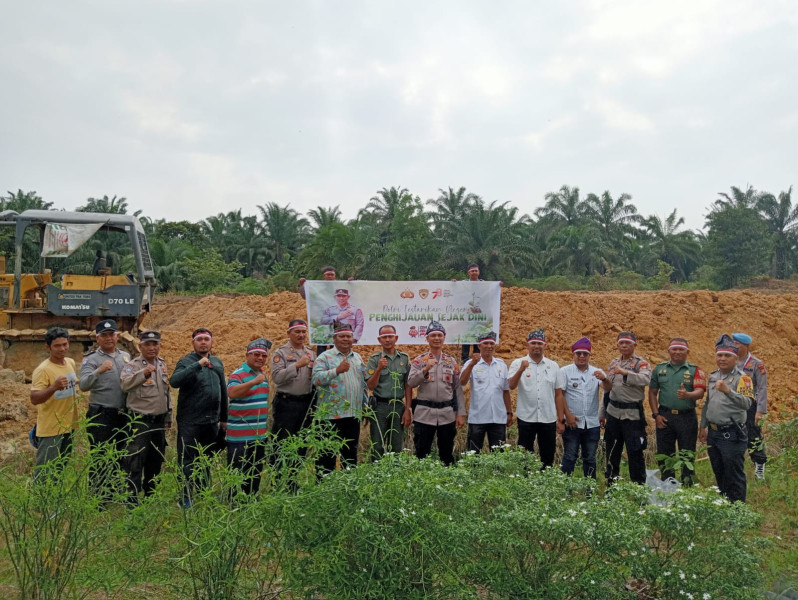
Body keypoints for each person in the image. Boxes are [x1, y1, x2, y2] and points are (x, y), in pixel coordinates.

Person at [169, 328, 228, 508]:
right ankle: (185, 497)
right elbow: (174, 381)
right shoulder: (186, 361)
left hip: (211, 421)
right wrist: (197, 365)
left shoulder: (217, 362)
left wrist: (224, 418)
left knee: (206, 459)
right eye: (199, 339)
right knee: (187, 460)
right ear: (193, 343)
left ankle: (204, 494)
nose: (203, 342)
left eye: (206, 339)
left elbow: (223, 390)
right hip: (190, 421)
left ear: (212, 343)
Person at [699, 334, 755, 502]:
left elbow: (747, 403)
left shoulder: (742, 378)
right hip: (714, 433)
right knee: (719, 471)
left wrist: (728, 391)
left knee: (734, 474)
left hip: (732, 434)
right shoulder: (713, 376)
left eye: (727, 355)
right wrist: (703, 425)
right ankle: (725, 507)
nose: (722, 359)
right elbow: (708, 401)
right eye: (719, 355)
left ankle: (738, 511)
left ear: (735, 358)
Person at [80, 319, 131, 499]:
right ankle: (98, 496)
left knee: (119, 454)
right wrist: (99, 371)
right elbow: (84, 385)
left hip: (122, 414)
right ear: (98, 338)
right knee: (100, 455)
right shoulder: (91, 359)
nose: (109, 338)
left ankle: (113, 491)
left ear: (117, 336)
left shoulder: (125, 356)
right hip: (101, 414)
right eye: (104, 335)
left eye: (112, 334)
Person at [120, 330, 171, 505]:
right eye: (147, 344)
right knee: (135, 460)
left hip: (158, 421)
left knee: (155, 460)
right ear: (140, 346)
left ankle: (151, 497)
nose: (151, 348)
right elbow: (125, 385)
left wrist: (168, 415)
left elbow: (166, 392)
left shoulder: (162, 364)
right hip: (140, 422)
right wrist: (143, 374)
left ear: (159, 346)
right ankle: (132, 500)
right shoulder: (133, 366)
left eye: (155, 344)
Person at [647, 338, 707, 485]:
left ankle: (687, 485)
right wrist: (656, 415)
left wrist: (688, 395)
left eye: (681, 349)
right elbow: (652, 393)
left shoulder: (695, 370)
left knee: (687, 453)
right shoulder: (659, 369)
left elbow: (700, 392)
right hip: (664, 417)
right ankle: (668, 485)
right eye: (674, 349)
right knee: (665, 453)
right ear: (669, 351)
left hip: (686, 417)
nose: (677, 352)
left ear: (688, 352)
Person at [311, 320, 368, 473]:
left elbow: (363, 384)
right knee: (326, 457)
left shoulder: (357, 358)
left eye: (348, 336)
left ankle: (347, 489)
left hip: (352, 415)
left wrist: (365, 406)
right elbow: (316, 379)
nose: (345, 339)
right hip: (330, 416)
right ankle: (324, 489)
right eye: (342, 336)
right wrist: (336, 370)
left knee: (349, 457)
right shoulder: (325, 357)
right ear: (334, 339)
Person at [407, 321, 466, 466]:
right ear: (427, 338)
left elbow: (457, 388)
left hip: (447, 414)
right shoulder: (419, 360)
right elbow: (411, 382)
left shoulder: (450, 361)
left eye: (440, 335)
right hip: (424, 415)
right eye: (433, 335)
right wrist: (425, 369)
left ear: (444, 338)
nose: (437, 338)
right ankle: (422, 483)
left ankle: (447, 481)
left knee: (446, 454)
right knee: (422, 452)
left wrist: (460, 413)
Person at [508, 329, 565, 468]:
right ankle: (526, 482)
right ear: (528, 344)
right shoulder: (518, 363)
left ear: (545, 345)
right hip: (526, 417)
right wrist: (521, 369)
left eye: (539, 343)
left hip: (548, 417)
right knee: (525, 454)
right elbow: (510, 385)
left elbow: (558, 394)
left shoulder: (553, 366)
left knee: (547, 455)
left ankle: (544, 483)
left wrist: (561, 419)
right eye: (533, 343)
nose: (536, 346)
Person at [600, 331, 651, 485]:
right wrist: (602, 413)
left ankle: (638, 486)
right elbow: (607, 390)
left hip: (632, 415)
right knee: (612, 450)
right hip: (613, 414)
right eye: (621, 343)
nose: (624, 346)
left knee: (635, 451)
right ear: (617, 345)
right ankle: (611, 486)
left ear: (634, 345)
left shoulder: (640, 363)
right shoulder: (613, 363)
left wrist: (625, 373)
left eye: (627, 343)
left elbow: (645, 379)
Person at [30, 327, 79, 480]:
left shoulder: (70, 363)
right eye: (57, 345)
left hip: (69, 426)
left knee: (59, 469)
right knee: (45, 472)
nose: (62, 348)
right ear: (48, 347)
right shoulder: (43, 370)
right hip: (51, 428)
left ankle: (54, 503)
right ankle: (39, 503)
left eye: (65, 344)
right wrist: (54, 387)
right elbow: (34, 398)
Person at [226, 338, 272, 495]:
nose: (260, 358)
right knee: (236, 472)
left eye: (264, 356)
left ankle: (251, 500)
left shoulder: (263, 376)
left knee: (254, 471)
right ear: (247, 355)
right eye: (256, 354)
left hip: (258, 435)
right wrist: (253, 382)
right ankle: (232, 503)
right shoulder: (238, 374)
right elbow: (232, 392)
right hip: (239, 436)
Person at [557, 337, 605, 479]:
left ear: (590, 355)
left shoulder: (597, 372)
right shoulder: (565, 371)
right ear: (573, 355)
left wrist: (604, 378)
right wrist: (567, 416)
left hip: (591, 423)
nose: (582, 356)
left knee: (590, 458)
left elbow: (608, 388)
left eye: (585, 354)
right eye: (578, 353)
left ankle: (589, 491)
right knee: (569, 456)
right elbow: (560, 395)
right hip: (572, 423)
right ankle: (565, 489)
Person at [459, 331, 512, 452]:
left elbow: (506, 391)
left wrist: (509, 412)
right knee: (473, 454)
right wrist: (472, 363)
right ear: (479, 346)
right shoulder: (470, 363)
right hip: (478, 418)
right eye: (486, 343)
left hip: (498, 418)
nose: (489, 346)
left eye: (491, 343)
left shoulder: (501, 365)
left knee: (499, 455)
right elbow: (462, 382)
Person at [365, 324, 412, 457]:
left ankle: (394, 475)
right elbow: (370, 386)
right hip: (379, 406)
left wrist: (408, 409)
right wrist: (379, 369)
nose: (387, 340)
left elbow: (408, 385)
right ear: (379, 340)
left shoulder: (404, 358)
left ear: (396, 338)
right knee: (377, 445)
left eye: (390, 336)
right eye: (384, 337)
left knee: (396, 446)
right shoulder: (374, 359)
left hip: (398, 406)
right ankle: (377, 474)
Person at [272, 319, 317, 442]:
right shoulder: (281, 352)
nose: (301, 335)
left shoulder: (311, 353)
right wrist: (296, 365)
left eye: (304, 332)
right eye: (297, 332)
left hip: (306, 403)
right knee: (283, 441)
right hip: (286, 403)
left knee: (302, 442)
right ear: (288, 333)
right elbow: (277, 377)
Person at [732, 332, 768, 480]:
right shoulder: (730, 360)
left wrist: (760, 411)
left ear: (745, 345)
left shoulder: (756, 364)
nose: (734, 345)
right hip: (732, 405)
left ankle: (759, 465)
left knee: (753, 436)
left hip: (750, 406)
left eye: (737, 343)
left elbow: (762, 388)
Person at [456, 263, 483, 363]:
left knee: (478, 335)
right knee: (466, 336)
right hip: (466, 316)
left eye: (476, 270)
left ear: (479, 272)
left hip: (479, 316)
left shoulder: (484, 284)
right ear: (468, 272)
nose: (474, 272)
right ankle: (465, 359)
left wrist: (498, 285)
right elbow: (455, 288)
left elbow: (491, 289)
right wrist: (453, 283)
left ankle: (476, 357)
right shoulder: (463, 283)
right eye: (472, 271)